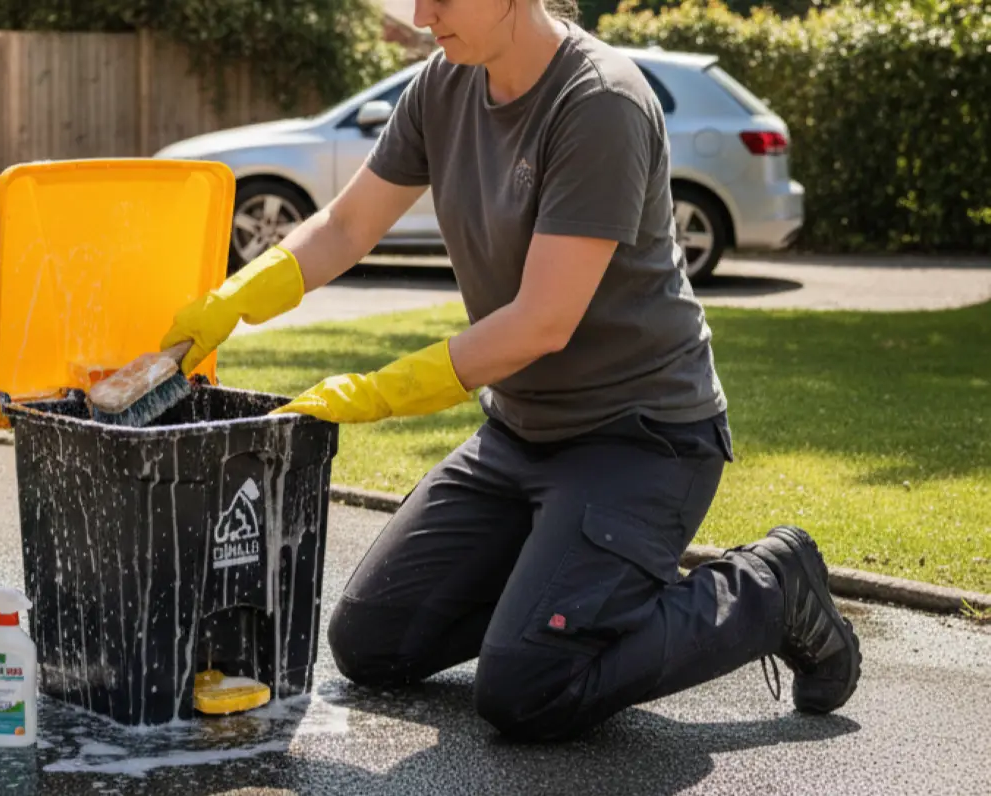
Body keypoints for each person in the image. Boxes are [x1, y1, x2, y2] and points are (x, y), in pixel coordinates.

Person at [159, 0, 861, 742]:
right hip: (519, 433)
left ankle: (771, 589)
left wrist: (373, 394)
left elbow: (541, 322)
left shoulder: (600, 102)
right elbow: (346, 225)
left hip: (641, 440)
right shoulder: (443, 84)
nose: (423, 16)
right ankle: (552, 597)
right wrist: (234, 300)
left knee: (529, 688)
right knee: (371, 644)